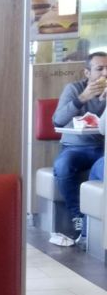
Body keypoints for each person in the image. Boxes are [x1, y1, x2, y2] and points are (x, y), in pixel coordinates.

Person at [52, 51, 107, 240]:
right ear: (87, 73)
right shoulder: (74, 89)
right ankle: (78, 216)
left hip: (102, 148)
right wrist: (82, 98)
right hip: (74, 147)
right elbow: (58, 120)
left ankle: (99, 223)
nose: (105, 73)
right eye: (100, 69)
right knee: (62, 166)